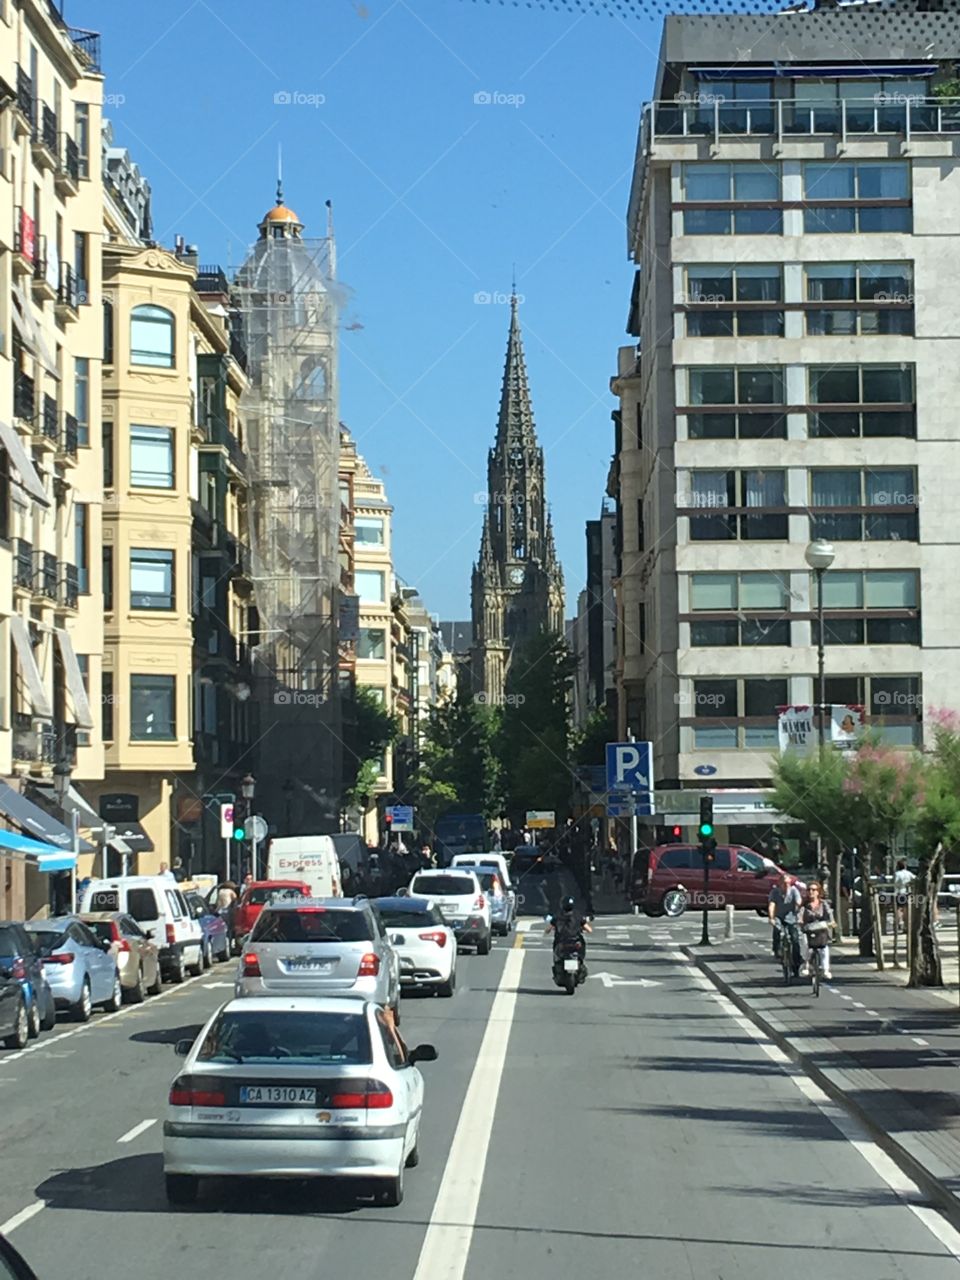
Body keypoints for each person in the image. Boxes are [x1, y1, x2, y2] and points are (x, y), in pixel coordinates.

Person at [768, 872, 803, 977]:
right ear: (780, 883)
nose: (786, 885)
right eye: (784, 883)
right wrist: (771, 917)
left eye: (788, 883)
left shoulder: (793, 891)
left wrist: (798, 905)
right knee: (777, 929)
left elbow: (799, 900)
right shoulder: (775, 892)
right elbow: (772, 904)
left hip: (791, 917)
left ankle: (796, 963)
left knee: (795, 939)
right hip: (779, 916)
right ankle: (777, 949)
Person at [800, 881, 834, 980]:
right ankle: (806, 965)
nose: (811, 892)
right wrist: (800, 922)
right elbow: (800, 915)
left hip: (820, 930)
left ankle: (825, 969)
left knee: (824, 948)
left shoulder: (823, 904)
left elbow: (830, 915)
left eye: (814, 890)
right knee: (805, 944)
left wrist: (831, 922)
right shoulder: (804, 904)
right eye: (809, 890)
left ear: (818, 892)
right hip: (808, 930)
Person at [894, 859, 915, 931]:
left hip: (900, 892)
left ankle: (899, 922)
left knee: (899, 908)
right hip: (908, 892)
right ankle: (906, 924)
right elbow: (915, 879)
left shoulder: (897, 874)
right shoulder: (909, 873)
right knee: (907, 908)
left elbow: (895, 883)